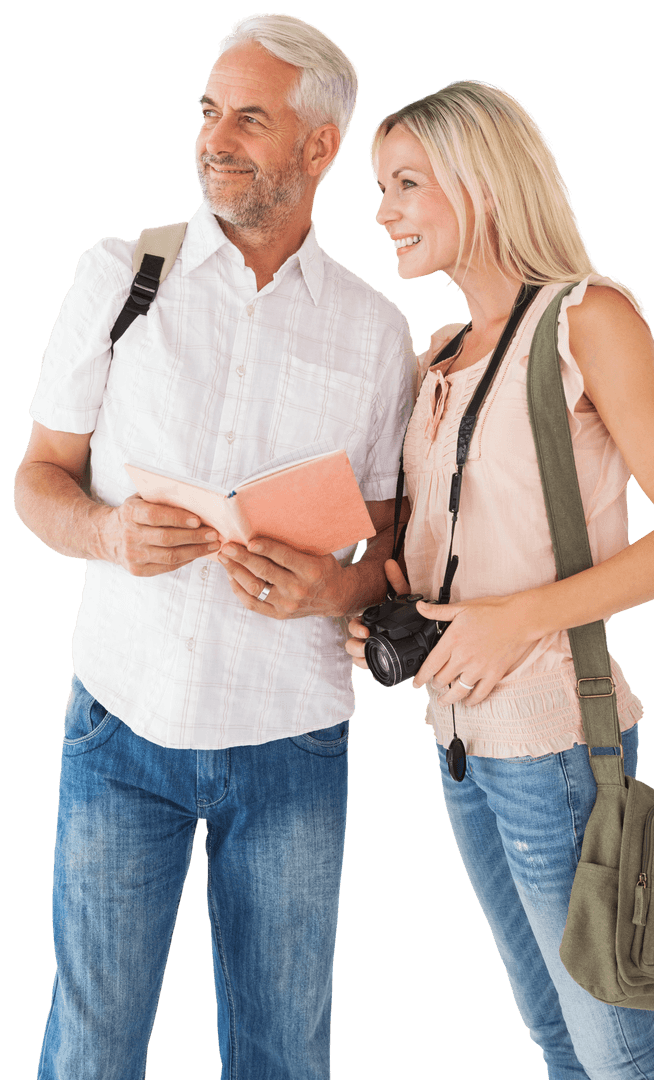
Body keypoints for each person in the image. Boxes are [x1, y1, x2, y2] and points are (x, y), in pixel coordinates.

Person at [14, 13, 416, 1080]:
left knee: (283, 1055)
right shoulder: (119, 275)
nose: (214, 137)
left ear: (320, 147)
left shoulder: (375, 330)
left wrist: (335, 584)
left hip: (289, 742)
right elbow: (37, 482)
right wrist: (104, 529)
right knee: (91, 1046)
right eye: (207, 111)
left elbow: (386, 548)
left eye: (250, 116)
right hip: (119, 728)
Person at [346, 81, 654, 1078]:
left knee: (619, 1056)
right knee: (553, 1035)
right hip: (459, 742)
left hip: (553, 743)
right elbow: (454, 553)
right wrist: (387, 616)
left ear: (479, 181)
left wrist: (516, 621)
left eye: (404, 183)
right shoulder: (438, 357)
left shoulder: (583, 321)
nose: (380, 210)